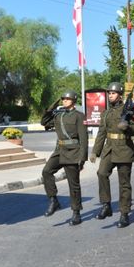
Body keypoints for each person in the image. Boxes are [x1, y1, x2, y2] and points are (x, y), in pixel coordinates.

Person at [90, 82, 134, 228]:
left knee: (124, 183)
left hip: (124, 148)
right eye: (109, 93)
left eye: (113, 93)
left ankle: (124, 213)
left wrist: (128, 127)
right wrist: (95, 151)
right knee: (101, 173)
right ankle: (106, 205)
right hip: (109, 148)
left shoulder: (129, 109)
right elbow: (101, 133)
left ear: (119, 95)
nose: (110, 95)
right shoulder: (106, 113)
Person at [41, 90, 88, 226]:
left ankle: (76, 212)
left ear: (73, 100)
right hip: (59, 151)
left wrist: (82, 158)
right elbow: (44, 122)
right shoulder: (58, 115)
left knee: (73, 185)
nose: (64, 101)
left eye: (67, 99)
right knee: (46, 171)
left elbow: (83, 138)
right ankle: (53, 200)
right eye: (63, 99)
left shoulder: (79, 116)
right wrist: (51, 108)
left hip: (73, 152)